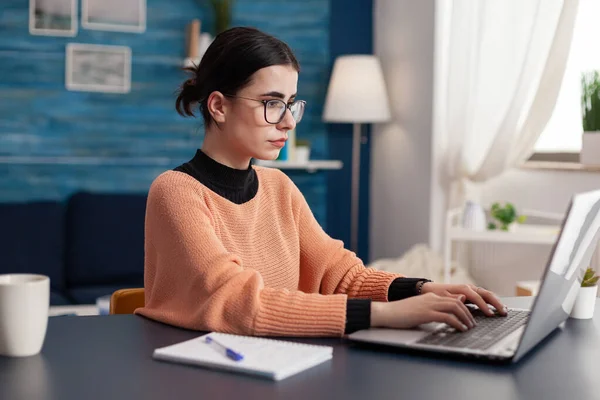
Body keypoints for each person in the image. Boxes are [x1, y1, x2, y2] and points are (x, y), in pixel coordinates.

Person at [134, 26, 507, 337]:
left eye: (291, 103)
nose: (288, 121)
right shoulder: (176, 191)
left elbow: (340, 276)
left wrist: (421, 288)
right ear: (218, 106)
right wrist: (389, 315)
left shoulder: (279, 188)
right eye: (271, 103)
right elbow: (237, 303)